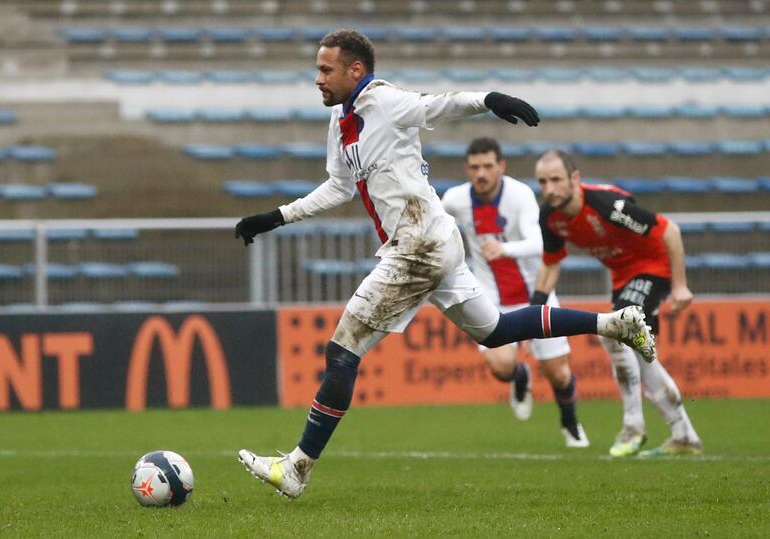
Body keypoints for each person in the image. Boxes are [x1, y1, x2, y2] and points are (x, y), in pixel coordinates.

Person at [234, 29, 656, 499]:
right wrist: (275, 217)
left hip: (418, 244)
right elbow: (338, 187)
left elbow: (441, 104)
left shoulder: (384, 102)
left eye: (325, 69)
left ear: (356, 70)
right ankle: (614, 325)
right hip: (433, 240)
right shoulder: (340, 123)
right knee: (495, 331)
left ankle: (298, 467)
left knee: (342, 351)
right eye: (317, 68)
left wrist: (491, 99)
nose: (317, 78)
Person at [532, 149, 704, 458]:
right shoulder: (550, 216)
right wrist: (536, 305)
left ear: (575, 178)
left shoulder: (607, 205)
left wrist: (680, 286)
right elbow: (551, 262)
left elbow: (670, 231)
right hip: (623, 278)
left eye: (556, 180)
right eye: (542, 182)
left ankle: (634, 427)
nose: (549, 189)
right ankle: (684, 434)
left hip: (654, 268)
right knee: (641, 354)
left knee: (612, 334)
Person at [441, 137, 588, 448]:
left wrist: (504, 248)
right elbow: (435, 229)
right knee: (500, 366)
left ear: (501, 167)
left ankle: (570, 422)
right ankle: (520, 376)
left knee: (559, 375)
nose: (481, 173)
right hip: (490, 296)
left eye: (488, 166)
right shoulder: (454, 200)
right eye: (475, 167)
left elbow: (540, 242)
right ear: (466, 169)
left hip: (537, 291)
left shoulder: (519, 194)